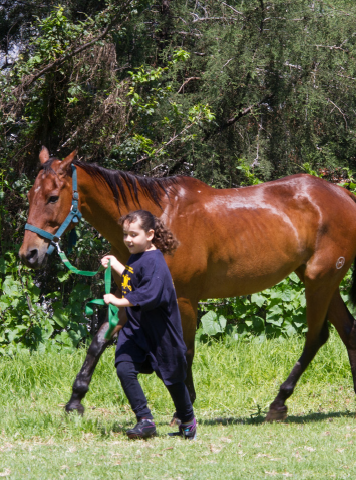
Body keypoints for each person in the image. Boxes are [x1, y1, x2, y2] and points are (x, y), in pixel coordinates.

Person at [101, 209, 197, 440]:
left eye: (133, 235)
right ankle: (145, 420)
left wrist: (117, 301)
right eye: (125, 235)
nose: (128, 240)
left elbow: (149, 295)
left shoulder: (155, 261)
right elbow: (134, 279)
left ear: (150, 234)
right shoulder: (137, 256)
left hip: (161, 332)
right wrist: (115, 264)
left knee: (173, 378)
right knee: (124, 367)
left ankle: (187, 419)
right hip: (136, 329)